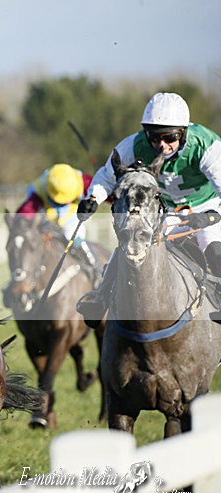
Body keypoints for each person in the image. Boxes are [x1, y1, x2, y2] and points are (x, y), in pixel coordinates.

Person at [76, 92, 221, 327]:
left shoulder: (206, 145)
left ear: (183, 132)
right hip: (166, 210)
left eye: (170, 137)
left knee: (211, 245)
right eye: (154, 137)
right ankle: (101, 298)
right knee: (133, 243)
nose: (161, 145)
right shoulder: (135, 145)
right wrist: (93, 198)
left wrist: (210, 216)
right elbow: (106, 176)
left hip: (209, 206)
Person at [9, 163, 103, 293]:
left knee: (73, 238)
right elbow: (27, 209)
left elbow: (106, 191)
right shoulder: (39, 187)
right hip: (47, 220)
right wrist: (20, 221)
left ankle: (95, 270)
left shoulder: (84, 182)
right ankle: (19, 279)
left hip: (72, 219)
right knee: (29, 244)